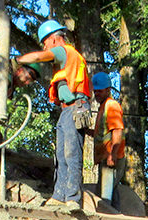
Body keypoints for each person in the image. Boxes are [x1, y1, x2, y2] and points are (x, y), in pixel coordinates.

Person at [18, 20, 92, 207]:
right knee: (61, 154)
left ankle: (73, 198)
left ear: (53, 39)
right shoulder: (68, 58)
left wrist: (17, 61)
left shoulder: (63, 51)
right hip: (67, 110)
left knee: (71, 153)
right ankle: (59, 196)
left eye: (45, 43)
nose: (44, 47)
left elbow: (37, 57)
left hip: (75, 107)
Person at [91, 71, 125, 206]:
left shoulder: (111, 105)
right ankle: (115, 216)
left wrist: (113, 154)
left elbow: (117, 131)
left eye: (100, 91)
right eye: (95, 91)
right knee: (111, 194)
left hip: (111, 158)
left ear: (108, 90)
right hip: (106, 158)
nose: (96, 94)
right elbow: (101, 133)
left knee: (105, 198)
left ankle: (108, 218)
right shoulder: (103, 107)